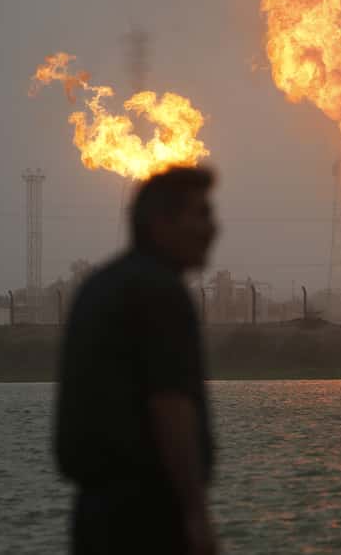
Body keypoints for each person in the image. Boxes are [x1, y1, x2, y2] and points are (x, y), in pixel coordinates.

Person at [55, 167, 218, 555]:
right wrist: (196, 515)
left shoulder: (98, 287)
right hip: (148, 515)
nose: (212, 229)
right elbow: (170, 405)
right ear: (161, 222)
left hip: (95, 517)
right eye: (200, 215)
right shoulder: (159, 291)